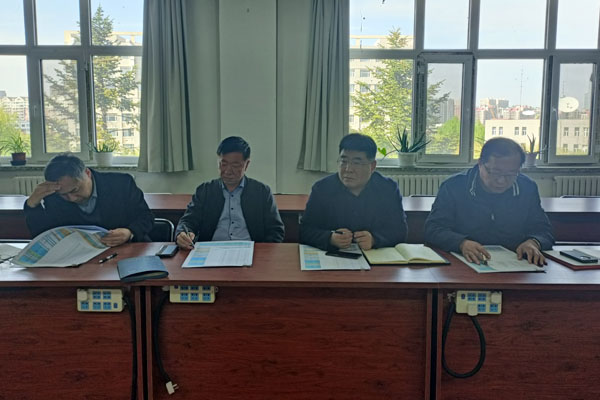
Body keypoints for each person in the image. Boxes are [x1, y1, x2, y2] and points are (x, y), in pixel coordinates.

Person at [424, 137, 554, 266]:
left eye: (511, 174)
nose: (501, 181)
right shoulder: (453, 187)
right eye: (495, 172)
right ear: (480, 163)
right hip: (465, 263)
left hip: (517, 264)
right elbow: (433, 229)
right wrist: (461, 243)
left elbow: (543, 230)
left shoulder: (527, 188)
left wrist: (533, 242)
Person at [300, 133, 408, 251]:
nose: (348, 169)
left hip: (374, 257)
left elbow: (400, 231)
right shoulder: (322, 189)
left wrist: (374, 239)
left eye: (356, 163)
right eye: (343, 161)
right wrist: (329, 238)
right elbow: (304, 230)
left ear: (372, 166)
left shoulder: (388, 189)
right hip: (333, 257)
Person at [175, 136, 284, 248]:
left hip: (250, 250)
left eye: (235, 165)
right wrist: (182, 234)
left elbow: (276, 230)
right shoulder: (205, 191)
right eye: (223, 164)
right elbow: (188, 221)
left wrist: (262, 252)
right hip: (211, 249)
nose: (228, 171)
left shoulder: (261, 192)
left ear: (246, 164)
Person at [24, 153, 154, 246]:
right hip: (79, 258)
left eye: (75, 190)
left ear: (87, 173)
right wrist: (32, 204)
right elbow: (43, 236)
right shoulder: (53, 194)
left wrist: (130, 232)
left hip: (126, 250)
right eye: (63, 194)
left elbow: (146, 217)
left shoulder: (121, 183)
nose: (71, 198)